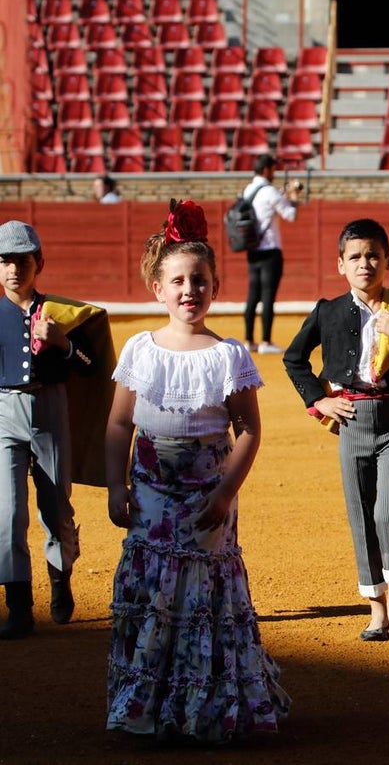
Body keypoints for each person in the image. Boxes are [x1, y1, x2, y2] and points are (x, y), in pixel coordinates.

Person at [104, 199, 290, 740]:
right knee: (154, 594)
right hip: (151, 498)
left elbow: (249, 431)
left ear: (215, 286)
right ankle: (144, 706)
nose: (190, 290)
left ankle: (201, 710)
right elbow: (120, 425)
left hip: (208, 499)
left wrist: (226, 494)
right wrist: (116, 486)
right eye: (179, 280)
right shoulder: (140, 349)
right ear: (158, 289)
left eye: (200, 280)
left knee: (203, 597)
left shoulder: (229, 355)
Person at [283, 219, 389, 644]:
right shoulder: (328, 311)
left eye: (373, 255)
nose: (365, 263)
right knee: (361, 516)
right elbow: (294, 359)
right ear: (341, 265)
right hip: (353, 421)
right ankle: (376, 607)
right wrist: (318, 401)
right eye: (355, 257)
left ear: (388, 260)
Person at [0, 221, 114, 639]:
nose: (14, 269)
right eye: (6, 261)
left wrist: (63, 343)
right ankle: (18, 605)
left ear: (39, 263)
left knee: (56, 508)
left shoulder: (61, 314)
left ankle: (60, 575)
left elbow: (94, 367)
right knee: (8, 513)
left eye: (23, 260)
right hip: (4, 412)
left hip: (51, 409)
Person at [240, 154, 301, 354]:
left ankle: (249, 340)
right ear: (266, 169)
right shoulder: (270, 192)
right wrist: (293, 197)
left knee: (252, 295)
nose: (274, 173)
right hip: (270, 251)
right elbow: (290, 215)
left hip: (252, 250)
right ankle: (266, 342)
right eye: (273, 169)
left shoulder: (248, 190)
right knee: (267, 297)